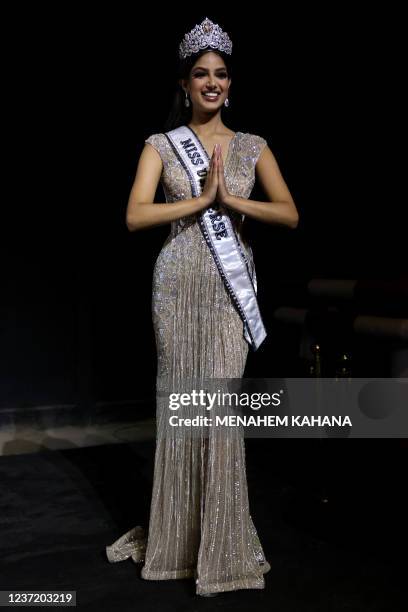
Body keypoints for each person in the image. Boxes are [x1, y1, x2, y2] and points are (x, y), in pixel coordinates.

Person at [106, 17, 299, 597]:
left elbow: (289, 213)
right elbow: (136, 216)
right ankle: (178, 544)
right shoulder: (159, 146)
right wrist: (196, 202)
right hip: (178, 283)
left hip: (227, 292)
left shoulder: (253, 146)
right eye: (200, 75)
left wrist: (231, 199)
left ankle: (222, 545)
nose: (211, 83)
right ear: (185, 84)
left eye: (219, 75)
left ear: (230, 85)